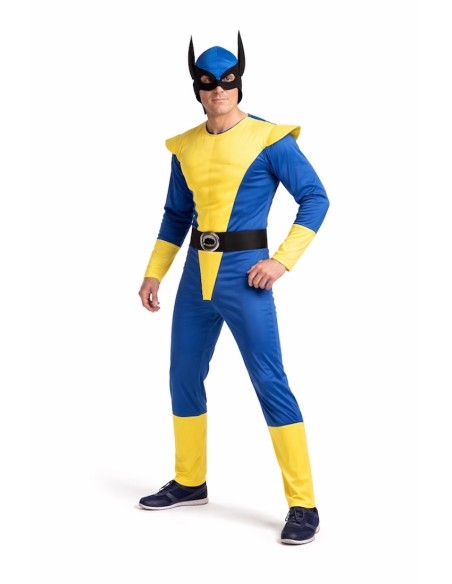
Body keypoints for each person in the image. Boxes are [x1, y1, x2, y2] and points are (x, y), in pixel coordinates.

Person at [138, 32, 329, 545]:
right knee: (183, 375)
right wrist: (155, 271)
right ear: (197, 90)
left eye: (227, 81)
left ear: (239, 84)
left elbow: (315, 197)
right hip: (195, 276)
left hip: (246, 275)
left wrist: (281, 261)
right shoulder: (185, 146)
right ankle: (189, 480)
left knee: (270, 381)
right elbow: (175, 214)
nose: (218, 90)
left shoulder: (269, 139)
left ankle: (303, 504)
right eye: (208, 83)